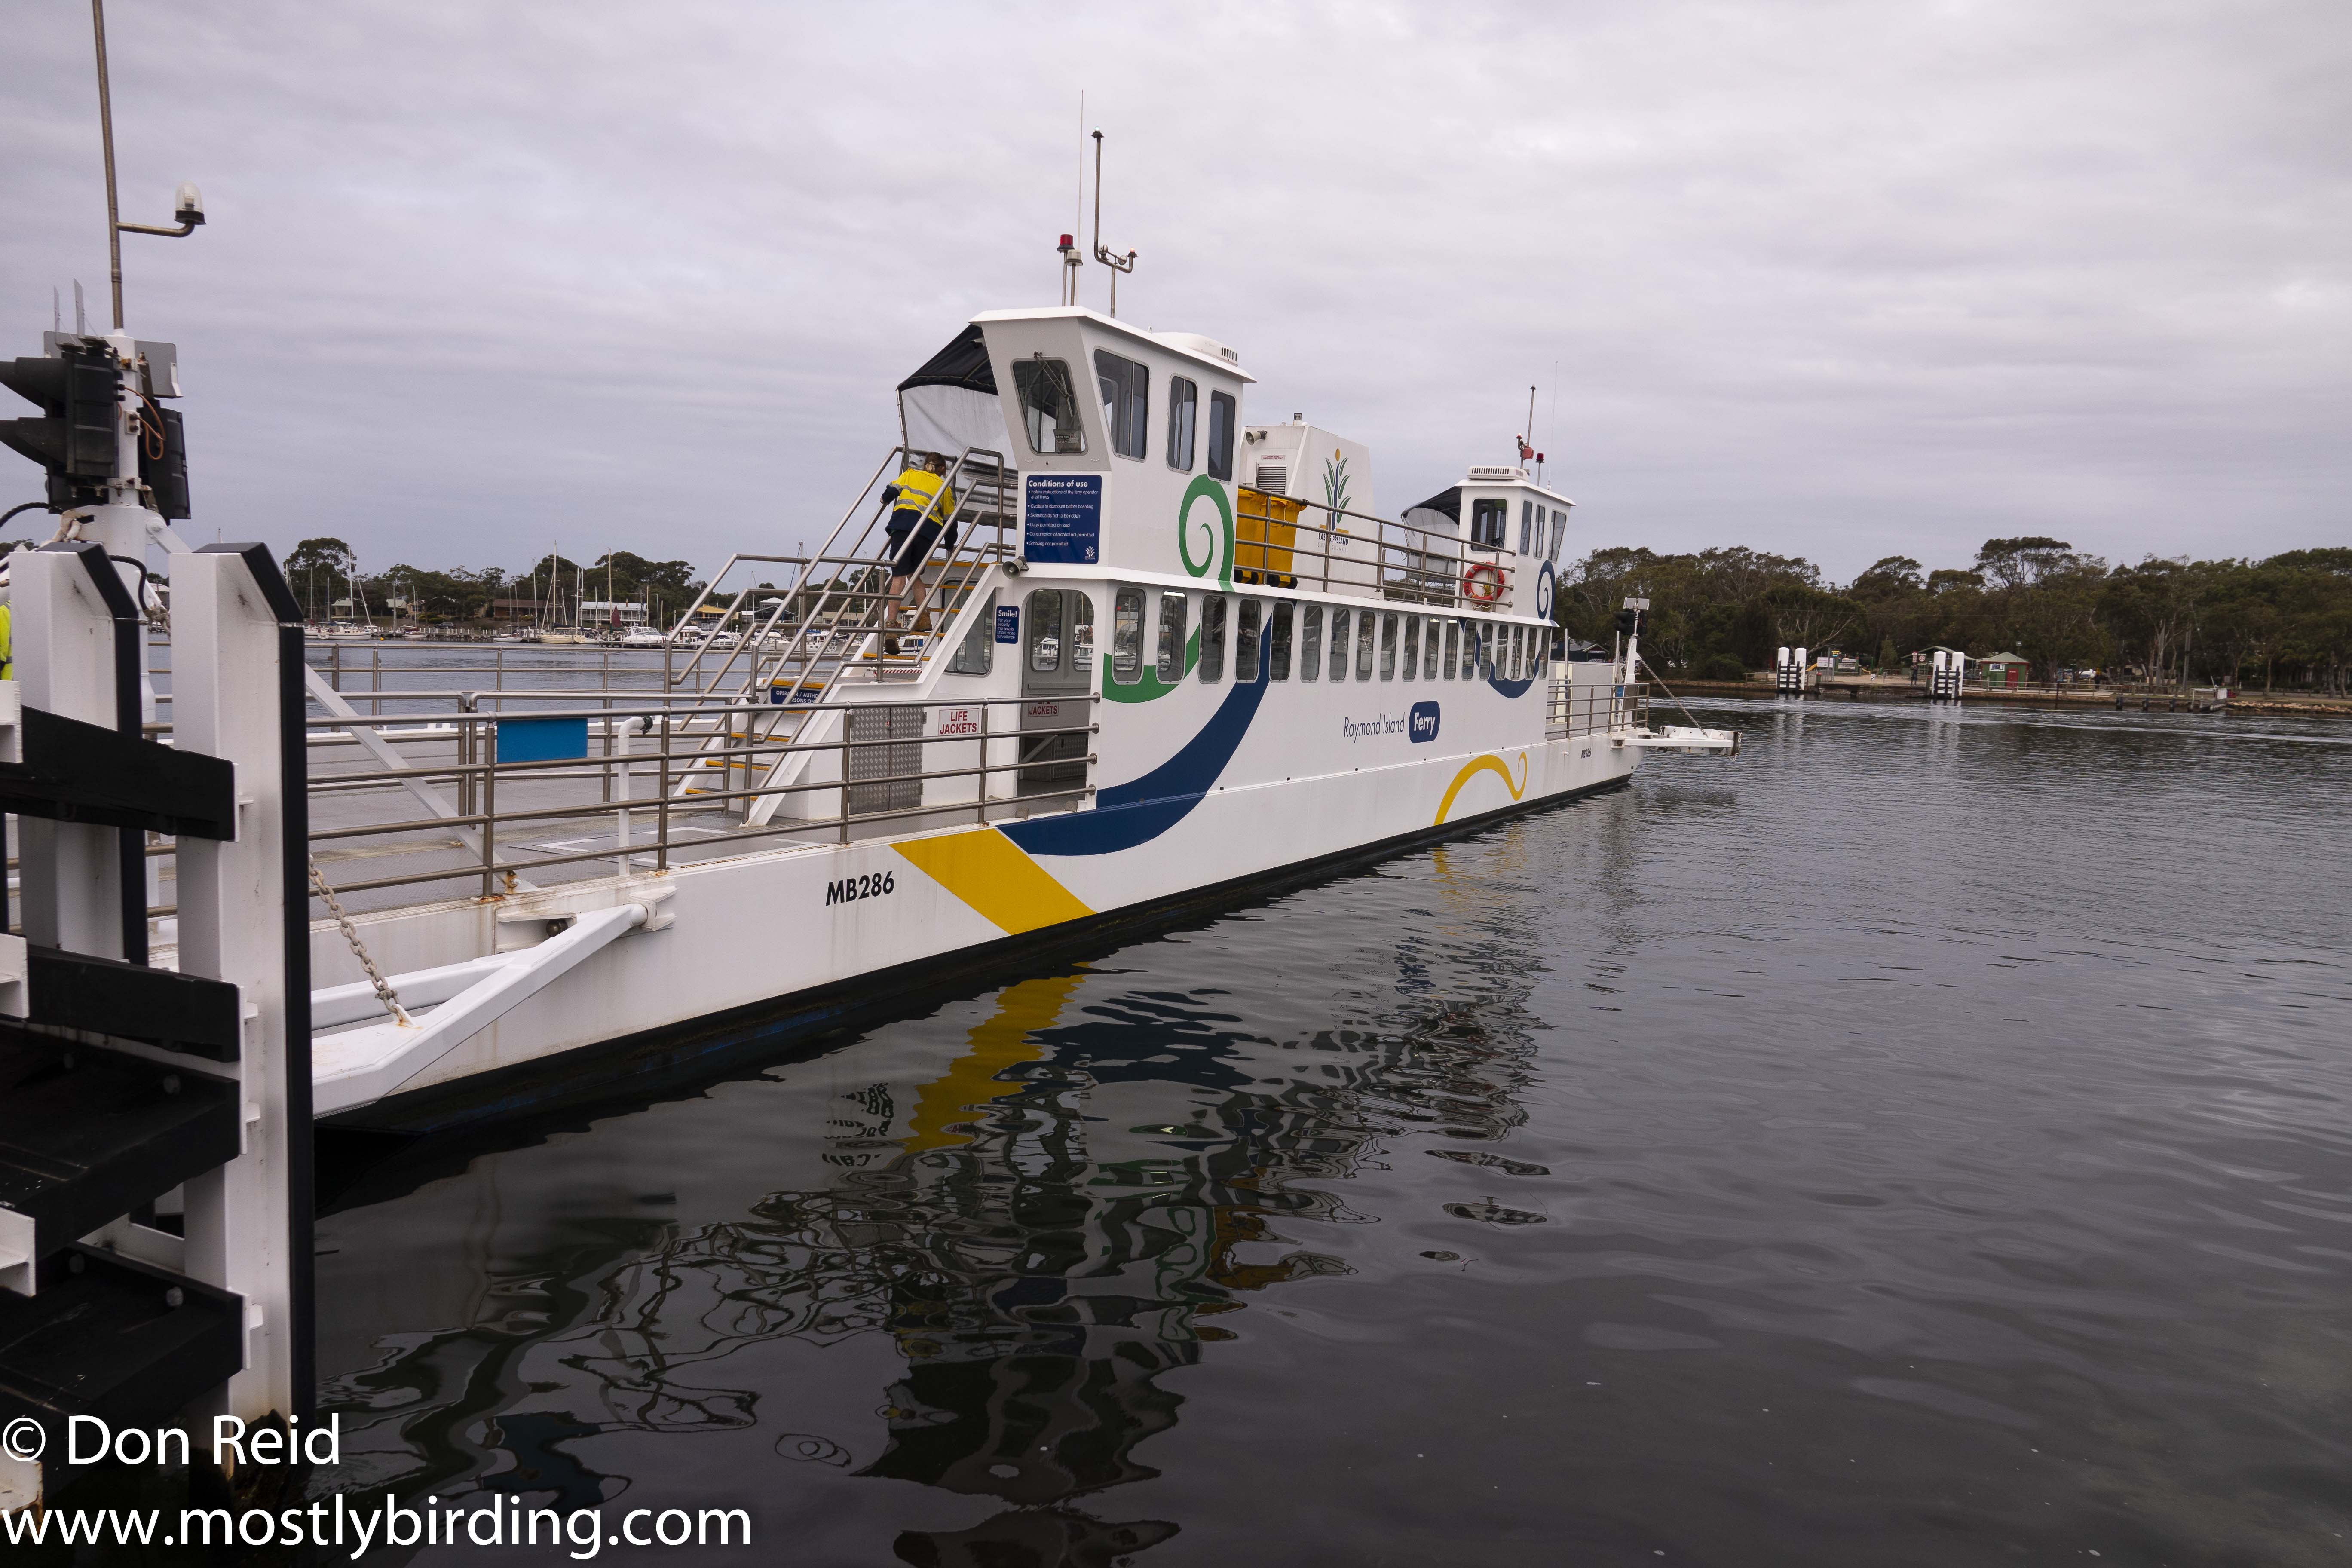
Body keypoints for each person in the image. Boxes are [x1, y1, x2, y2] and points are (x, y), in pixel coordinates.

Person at [879, 452, 958, 643]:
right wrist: (950, 544)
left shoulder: (911, 474)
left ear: (925, 465)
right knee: (914, 575)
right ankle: (924, 617)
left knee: (899, 577)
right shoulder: (945, 487)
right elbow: (950, 521)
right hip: (926, 533)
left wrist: (884, 499)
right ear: (943, 469)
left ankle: (891, 624)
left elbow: (892, 490)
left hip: (903, 528)